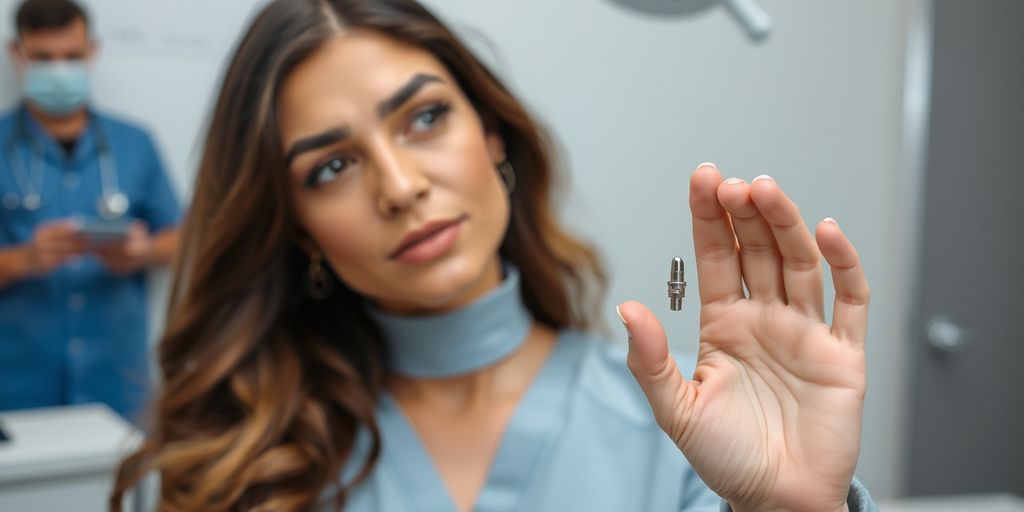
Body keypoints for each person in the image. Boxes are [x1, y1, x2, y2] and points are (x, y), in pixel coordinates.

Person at [111, 0, 876, 510]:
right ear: (300, 228)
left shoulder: (689, 428)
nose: (401, 186)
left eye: (425, 117)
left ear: (493, 135)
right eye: (331, 167)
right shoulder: (220, 459)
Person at [0, 0, 181, 421]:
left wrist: (143, 252)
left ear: (93, 52)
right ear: (17, 54)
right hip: (17, 392)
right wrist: (24, 259)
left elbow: (184, 235)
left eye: (72, 57)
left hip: (117, 385)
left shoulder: (135, 142)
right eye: (44, 58)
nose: (60, 71)